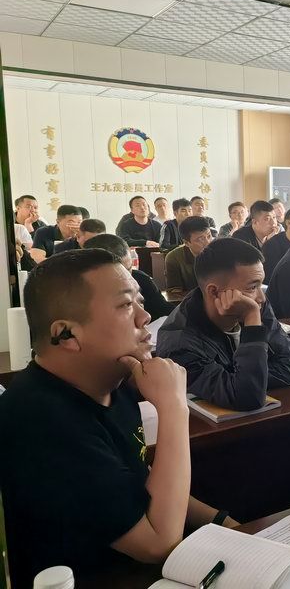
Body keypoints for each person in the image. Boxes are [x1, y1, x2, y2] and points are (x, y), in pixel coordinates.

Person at [0, 249, 234, 586]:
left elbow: (139, 483)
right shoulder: (39, 420)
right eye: (125, 305)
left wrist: (222, 521)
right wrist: (173, 407)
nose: (145, 316)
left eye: (139, 301)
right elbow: (158, 543)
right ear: (67, 334)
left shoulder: (113, 383)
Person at [156, 238, 290, 410]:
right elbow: (248, 397)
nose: (261, 298)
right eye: (252, 287)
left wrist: (239, 379)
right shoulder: (179, 344)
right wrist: (252, 322)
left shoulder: (257, 305)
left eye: (261, 285)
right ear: (214, 292)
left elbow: (288, 369)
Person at [84, 234, 175, 320]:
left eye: (129, 269)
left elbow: (165, 310)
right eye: (119, 274)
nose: (128, 278)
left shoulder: (141, 279)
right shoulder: (83, 294)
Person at [165, 216, 212, 300]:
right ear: (186, 243)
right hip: (189, 302)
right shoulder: (174, 258)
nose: (207, 242)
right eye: (200, 239)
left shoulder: (218, 252)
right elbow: (175, 292)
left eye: (209, 236)